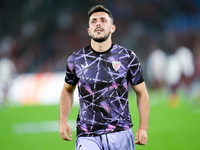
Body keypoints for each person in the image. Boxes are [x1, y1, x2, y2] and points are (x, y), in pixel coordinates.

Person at [59, 5, 150, 150]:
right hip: (87, 135)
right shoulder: (75, 59)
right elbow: (67, 90)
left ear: (112, 28)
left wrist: (143, 127)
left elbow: (142, 93)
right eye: (93, 21)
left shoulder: (127, 57)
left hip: (121, 132)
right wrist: (63, 121)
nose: (98, 24)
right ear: (89, 30)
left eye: (103, 20)